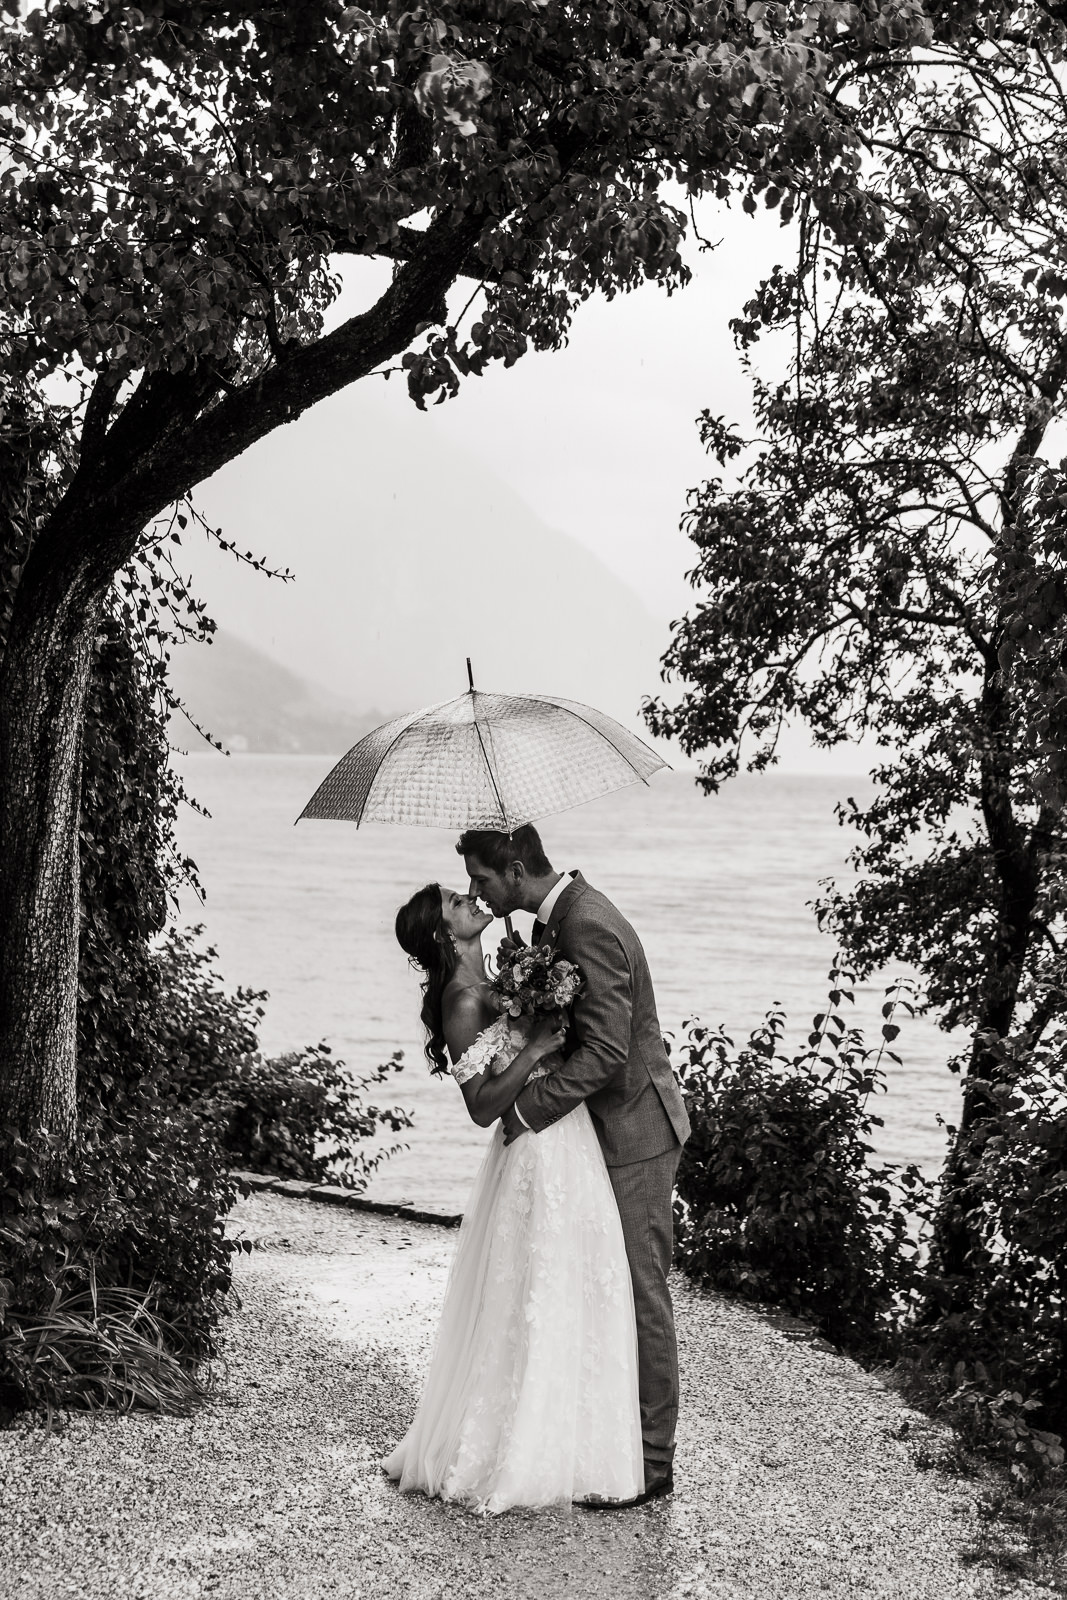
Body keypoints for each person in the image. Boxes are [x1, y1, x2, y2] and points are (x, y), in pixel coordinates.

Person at [383, 880, 645, 1514]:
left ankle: (572, 1442)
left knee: (569, 1284)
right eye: (454, 902)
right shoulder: (461, 1000)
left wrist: (533, 991)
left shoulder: (496, 983)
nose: (469, 899)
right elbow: (480, 1108)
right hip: (530, 1150)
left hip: (564, 1139)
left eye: (465, 892)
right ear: (445, 934)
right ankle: (511, 1449)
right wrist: (532, 1047)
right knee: (531, 1292)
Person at [460, 824, 690, 1506]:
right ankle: (602, 1439)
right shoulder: (553, 927)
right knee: (602, 1289)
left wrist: (527, 1110)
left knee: (641, 1293)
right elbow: (566, 1033)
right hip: (597, 1134)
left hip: (636, 1131)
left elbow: (607, 1052)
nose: (477, 891)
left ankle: (651, 1464)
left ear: (518, 868)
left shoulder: (585, 924)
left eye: (483, 879)